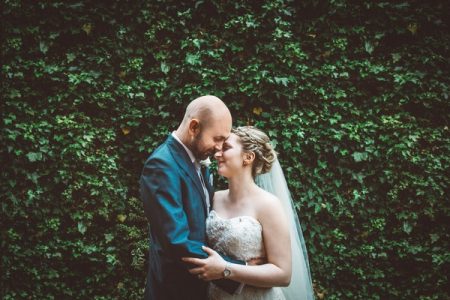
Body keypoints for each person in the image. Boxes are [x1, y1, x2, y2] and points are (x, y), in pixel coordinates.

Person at [183, 126, 315, 300]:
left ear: (248, 157)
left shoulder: (269, 205)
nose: (216, 154)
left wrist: (225, 269)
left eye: (226, 148)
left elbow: (283, 275)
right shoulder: (214, 198)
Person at [139, 95, 245, 300]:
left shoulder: (197, 162)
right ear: (194, 127)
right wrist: (235, 269)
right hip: (174, 291)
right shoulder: (162, 166)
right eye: (217, 138)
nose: (219, 148)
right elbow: (177, 241)